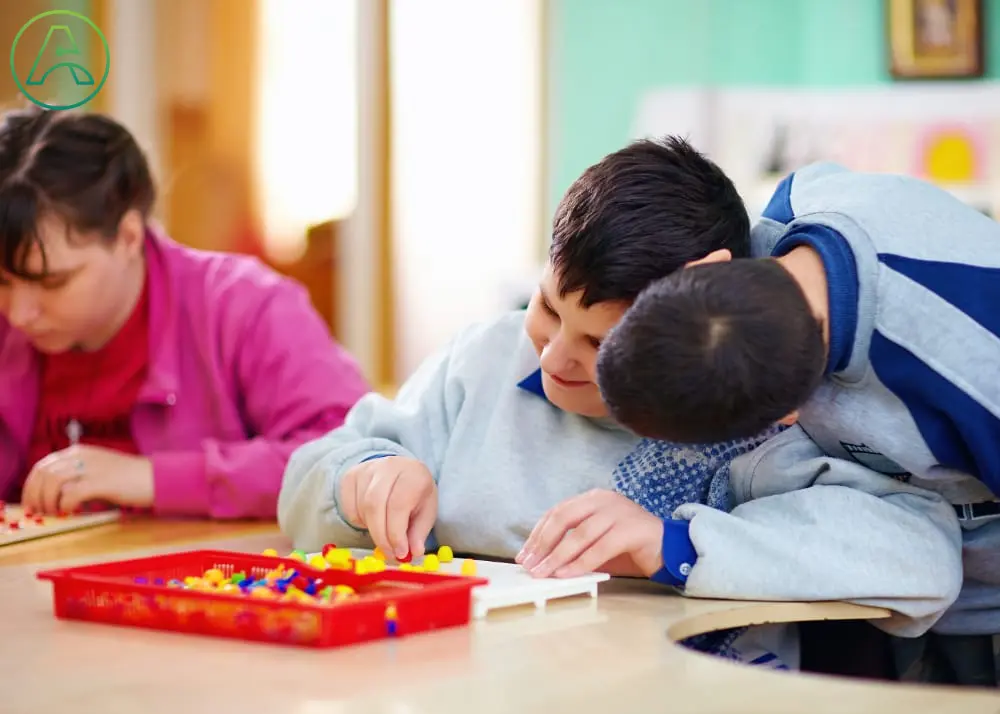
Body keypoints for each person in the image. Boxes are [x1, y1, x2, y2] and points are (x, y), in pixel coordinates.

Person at [533, 158, 998, 684]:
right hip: (926, 614)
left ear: (790, 414)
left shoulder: (971, 366)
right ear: (706, 269)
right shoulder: (789, 211)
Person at [0, 106, 370, 519]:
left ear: (127, 236)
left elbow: (353, 454)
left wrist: (151, 478)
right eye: (2, 283)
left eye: (52, 282)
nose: (18, 313)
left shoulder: (245, 306)